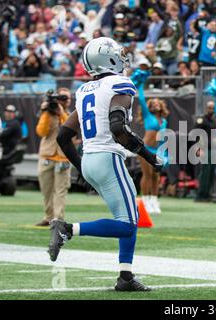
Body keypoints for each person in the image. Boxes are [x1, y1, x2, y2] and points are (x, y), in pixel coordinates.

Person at [53, 37, 163, 291]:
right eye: (117, 53)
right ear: (108, 58)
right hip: (108, 158)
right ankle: (67, 229)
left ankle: (125, 276)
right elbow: (118, 128)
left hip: (90, 159)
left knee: (127, 215)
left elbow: (63, 136)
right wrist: (150, 157)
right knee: (126, 225)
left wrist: (82, 168)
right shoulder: (120, 84)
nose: (122, 57)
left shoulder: (83, 90)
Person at [35, 88, 73, 227]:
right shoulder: (47, 114)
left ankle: (58, 219)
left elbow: (70, 131)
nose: (63, 101)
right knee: (46, 190)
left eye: (66, 98)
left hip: (63, 157)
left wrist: (60, 112)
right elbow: (41, 131)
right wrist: (46, 112)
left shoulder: (70, 115)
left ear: (69, 101)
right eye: (61, 98)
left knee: (60, 191)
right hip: (47, 155)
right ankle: (48, 217)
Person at [134, 70, 169, 215]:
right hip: (145, 148)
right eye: (152, 103)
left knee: (156, 176)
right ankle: (145, 200)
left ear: (161, 105)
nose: (155, 104)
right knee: (147, 175)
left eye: (157, 103)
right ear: (149, 107)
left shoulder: (164, 120)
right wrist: (141, 84)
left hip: (159, 150)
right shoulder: (148, 116)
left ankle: (155, 200)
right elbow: (141, 99)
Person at [194, 101, 216, 202]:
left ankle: (207, 193)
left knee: (211, 172)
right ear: (206, 109)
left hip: (212, 149)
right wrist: (198, 149)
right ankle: (200, 194)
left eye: (212, 108)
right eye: (209, 108)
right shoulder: (201, 120)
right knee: (204, 172)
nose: (211, 110)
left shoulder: (214, 121)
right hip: (204, 149)